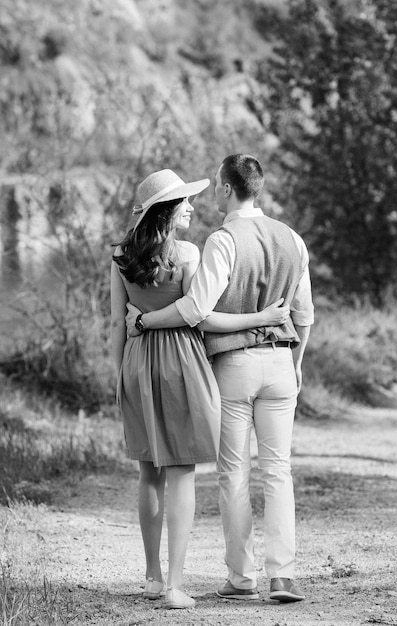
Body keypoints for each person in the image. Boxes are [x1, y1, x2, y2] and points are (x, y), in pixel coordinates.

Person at [126, 154, 314, 603]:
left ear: (228, 189)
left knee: (234, 472)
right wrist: (298, 361)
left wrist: (145, 323)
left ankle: (242, 577)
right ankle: (282, 577)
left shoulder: (223, 241)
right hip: (282, 364)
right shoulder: (293, 239)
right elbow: (304, 315)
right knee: (279, 470)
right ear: (260, 188)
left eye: (217, 186)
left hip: (234, 365)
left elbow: (196, 311)